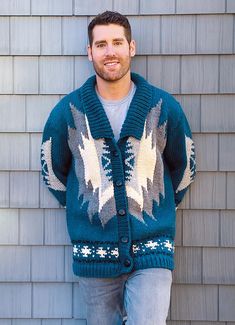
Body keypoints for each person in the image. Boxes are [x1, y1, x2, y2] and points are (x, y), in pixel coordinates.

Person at [41, 11, 196, 325]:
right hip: (94, 256)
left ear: (131, 48)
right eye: (101, 44)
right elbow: (53, 171)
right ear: (90, 52)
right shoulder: (68, 112)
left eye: (117, 43)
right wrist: (85, 209)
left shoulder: (163, 107)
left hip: (152, 252)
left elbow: (185, 166)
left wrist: (160, 207)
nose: (109, 51)